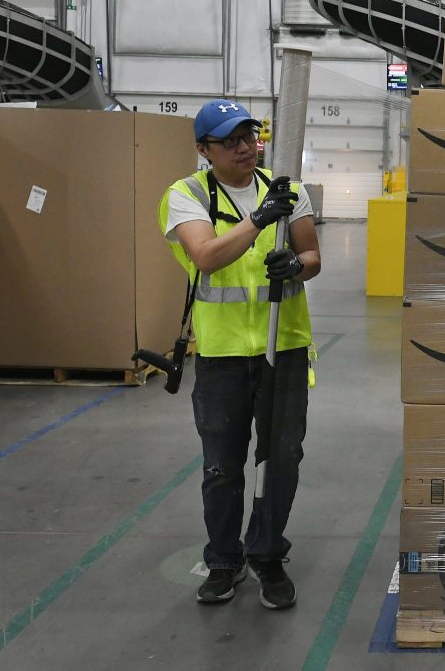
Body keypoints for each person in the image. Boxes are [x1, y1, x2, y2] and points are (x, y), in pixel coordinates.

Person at [158, 98, 321, 609]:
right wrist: (258, 219)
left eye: (249, 137)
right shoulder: (185, 195)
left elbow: (313, 258)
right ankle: (224, 560)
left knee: (282, 460)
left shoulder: (287, 189)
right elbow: (205, 256)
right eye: (230, 141)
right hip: (224, 354)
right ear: (204, 150)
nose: (245, 148)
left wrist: (293, 264)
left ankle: (268, 554)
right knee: (222, 466)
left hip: (284, 347)